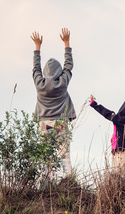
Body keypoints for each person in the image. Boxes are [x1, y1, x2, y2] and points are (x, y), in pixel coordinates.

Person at [31, 28, 76, 177]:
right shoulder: (62, 83)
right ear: (59, 71)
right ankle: (70, 184)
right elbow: (68, 65)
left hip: (45, 124)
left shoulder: (40, 84)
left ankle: (45, 186)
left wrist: (37, 47)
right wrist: (66, 43)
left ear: (44, 72)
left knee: (46, 159)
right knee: (65, 157)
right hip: (61, 123)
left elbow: (35, 68)